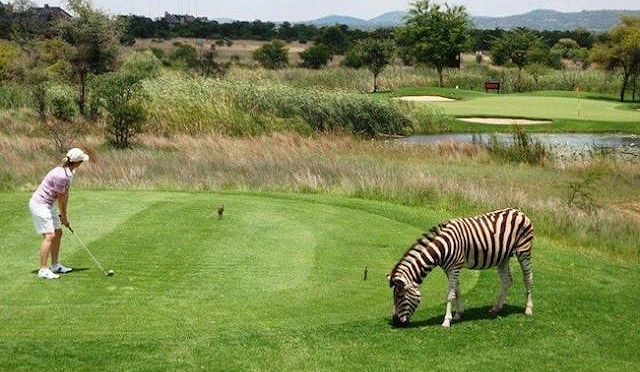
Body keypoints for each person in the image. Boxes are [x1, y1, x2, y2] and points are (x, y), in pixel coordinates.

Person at [29, 148, 89, 279]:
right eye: (81, 161)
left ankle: (55, 265)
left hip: (48, 204)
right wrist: (64, 216)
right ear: (76, 162)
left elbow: (65, 195)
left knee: (58, 232)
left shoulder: (69, 172)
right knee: (50, 236)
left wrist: (62, 216)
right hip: (40, 204)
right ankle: (43, 270)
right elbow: (61, 199)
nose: (82, 163)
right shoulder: (61, 175)